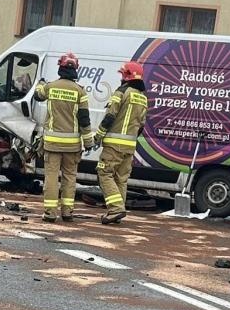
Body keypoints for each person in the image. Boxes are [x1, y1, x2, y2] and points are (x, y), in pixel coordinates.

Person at [33, 52, 92, 222]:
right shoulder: (80, 91)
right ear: (75, 69)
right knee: (70, 178)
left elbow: (38, 95)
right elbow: (84, 119)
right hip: (72, 146)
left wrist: (41, 83)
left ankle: (50, 213)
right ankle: (67, 212)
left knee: (51, 177)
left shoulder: (51, 87)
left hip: (52, 144)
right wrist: (88, 142)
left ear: (60, 67)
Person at [96, 60, 149, 225]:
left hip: (114, 144)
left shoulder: (121, 92)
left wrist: (98, 136)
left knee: (105, 173)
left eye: (122, 74)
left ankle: (116, 208)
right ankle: (117, 210)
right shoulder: (142, 97)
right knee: (121, 178)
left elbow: (110, 116)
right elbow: (142, 125)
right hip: (130, 146)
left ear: (127, 76)